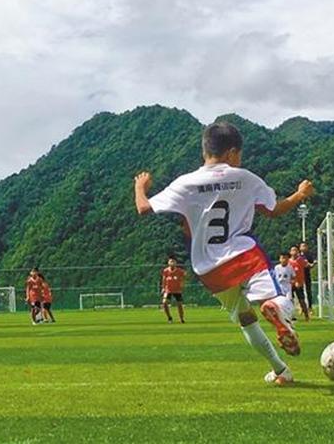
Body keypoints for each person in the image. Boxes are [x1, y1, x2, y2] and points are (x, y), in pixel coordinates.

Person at [134, 121, 315, 385]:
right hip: (243, 256)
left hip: (209, 268)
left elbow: (143, 208)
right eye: (239, 155)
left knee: (246, 320)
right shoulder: (246, 178)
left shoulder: (186, 183)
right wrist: (299, 195)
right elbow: (274, 210)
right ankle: (276, 308)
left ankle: (280, 370)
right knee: (277, 298)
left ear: (204, 150)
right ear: (231, 153)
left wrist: (141, 186)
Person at [161, 256, 187, 324]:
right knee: (164, 302)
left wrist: (182, 284)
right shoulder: (166, 271)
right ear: (168, 262)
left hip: (177, 290)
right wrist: (163, 288)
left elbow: (184, 276)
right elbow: (164, 279)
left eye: (173, 261)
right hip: (168, 290)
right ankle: (169, 317)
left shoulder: (179, 271)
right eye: (170, 261)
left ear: (176, 263)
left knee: (179, 304)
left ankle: (181, 319)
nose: (172, 263)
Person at [288, 246, 310, 321]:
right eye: (292, 250)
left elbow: (307, 265)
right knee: (290, 300)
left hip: (299, 283)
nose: (294, 252)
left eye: (295, 250)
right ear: (290, 252)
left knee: (301, 300)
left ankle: (307, 315)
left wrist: (312, 264)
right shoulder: (288, 261)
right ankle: (290, 315)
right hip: (290, 284)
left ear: (298, 252)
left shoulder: (301, 260)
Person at [299, 242, 315, 311]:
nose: (304, 247)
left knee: (308, 291)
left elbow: (312, 264)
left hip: (307, 275)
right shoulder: (298, 256)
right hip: (299, 276)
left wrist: (312, 264)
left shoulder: (309, 256)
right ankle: (301, 307)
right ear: (300, 248)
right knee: (300, 291)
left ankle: (310, 307)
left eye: (305, 246)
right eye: (302, 246)